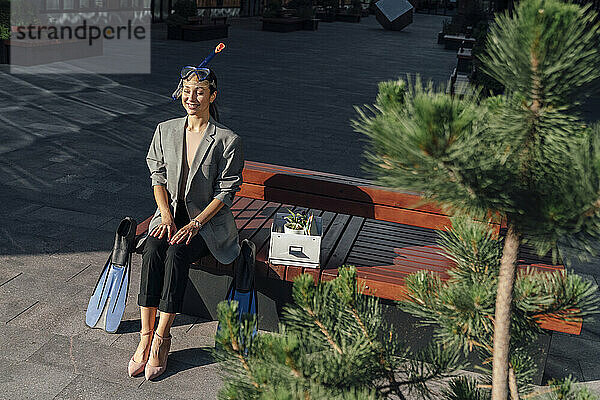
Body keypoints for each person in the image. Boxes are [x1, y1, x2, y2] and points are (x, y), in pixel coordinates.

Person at [128, 67, 244, 380]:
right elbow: (158, 176)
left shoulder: (226, 140)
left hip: (206, 223)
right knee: (153, 248)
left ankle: (162, 339)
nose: (191, 97)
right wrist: (164, 214)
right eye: (187, 90)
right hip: (168, 214)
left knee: (177, 253)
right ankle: (144, 335)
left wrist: (194, 225)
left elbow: (227, 191)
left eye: (200, 91)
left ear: (213, 96)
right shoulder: (165, 130)